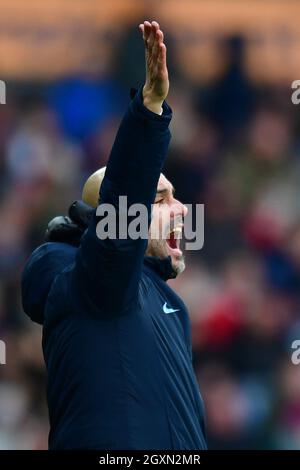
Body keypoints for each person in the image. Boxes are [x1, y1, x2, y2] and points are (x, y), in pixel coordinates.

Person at [21, 20, 207, 450]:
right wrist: (149, 111)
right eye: (159, 201)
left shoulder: (166, 302)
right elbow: (121, 213)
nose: (181, 210)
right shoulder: (96, 285)